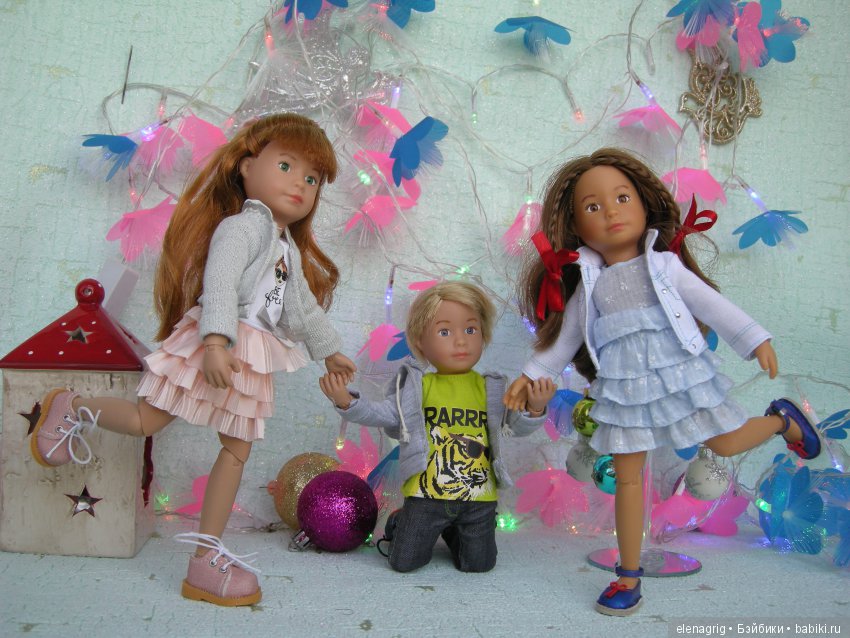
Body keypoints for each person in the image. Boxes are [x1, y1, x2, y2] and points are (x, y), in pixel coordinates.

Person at [29, 113, 356, 607]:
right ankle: (71, 406)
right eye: (286, 166)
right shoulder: (242, 227)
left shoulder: (285, 247)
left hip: (252, 356)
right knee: (147, 420)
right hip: (217, 343)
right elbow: (219, 283)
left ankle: (205, 557)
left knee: (237, 450)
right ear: (247, 167)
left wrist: (329, 349)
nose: (299, 184)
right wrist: (217, 343)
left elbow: (302, 308)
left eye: (312, 179)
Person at [503, 148, 821, 616]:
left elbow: (711, 304)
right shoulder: (589, 284)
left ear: (644, 203)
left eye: (622, 198)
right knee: (628, 477)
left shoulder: (665, 267)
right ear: (576, 226)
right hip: (625, 389)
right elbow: (565, 339)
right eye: (593, 206)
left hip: (679, 375)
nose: (611, 212)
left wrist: (755, 339)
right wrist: (530, 375)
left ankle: (781, 421)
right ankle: (628, 576)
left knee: (725, 442)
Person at [319, 281, 555, 573]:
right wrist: (346, 401)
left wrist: (535, 408)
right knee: (404, 562)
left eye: (471, 330)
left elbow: (513, 427)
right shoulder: (418, 386)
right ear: (420, 342)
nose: (461, 341)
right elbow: (385, 413)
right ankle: (402, 522)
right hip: (426, 494)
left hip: (478, 495)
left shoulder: (490, 388)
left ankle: (454, 530)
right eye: (445, 332)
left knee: (479, 564)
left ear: (483, 334)